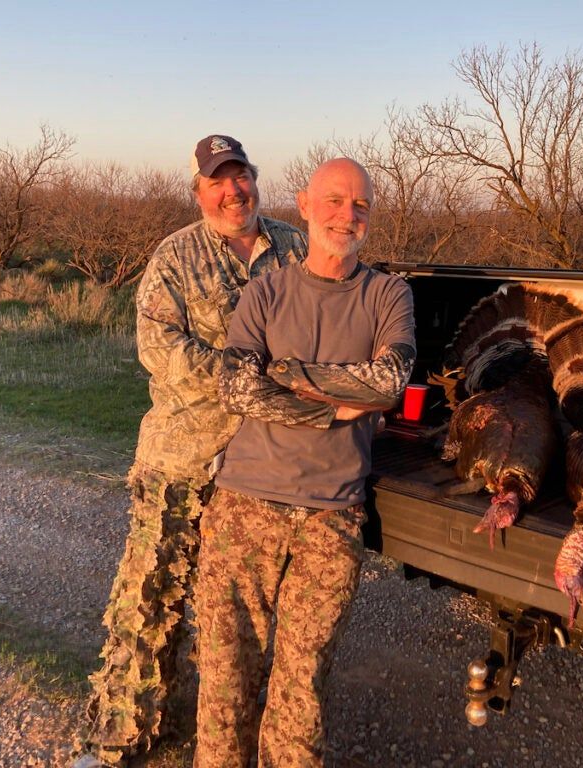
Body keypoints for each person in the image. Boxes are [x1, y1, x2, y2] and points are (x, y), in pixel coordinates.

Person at [73, 135, 307, 768]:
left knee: (236, 615)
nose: (233, 191)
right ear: (199, 191)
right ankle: (119, 737)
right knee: (149, 601)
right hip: (183, 458)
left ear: (257, 180)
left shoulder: (293, 248)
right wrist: (248, 379)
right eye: (218, 181)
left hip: (263, 466)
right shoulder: (173, 258)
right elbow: (161, 351)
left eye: (242, 177)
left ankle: (229, 736)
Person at [193, 158, 417, 768]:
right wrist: (331, 411)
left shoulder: (389, 294)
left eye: (361, 206)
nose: (348, 216)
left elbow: (389, 380)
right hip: (244, 504)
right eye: (336, 201)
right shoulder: (266, 291)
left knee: (300, 694)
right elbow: (237, 389)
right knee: (224, 685)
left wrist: (288, 376)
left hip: (330, 518)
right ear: (305, 204)